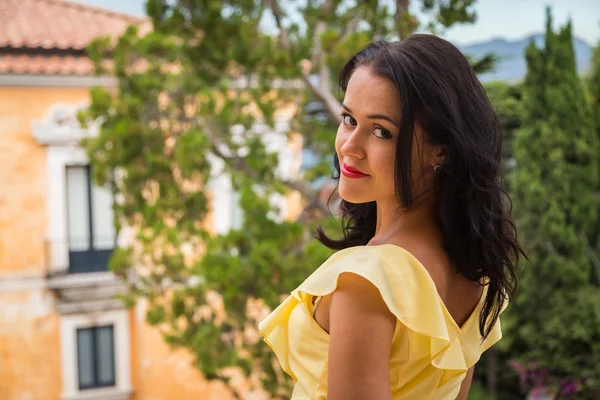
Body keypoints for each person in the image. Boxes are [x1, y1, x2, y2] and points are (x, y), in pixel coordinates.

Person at [258, 34, 524, 400]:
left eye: (381, 131)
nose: (350, 147)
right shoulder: (474, 279)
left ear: (440, 151)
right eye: (349, 119)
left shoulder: (368, 281)